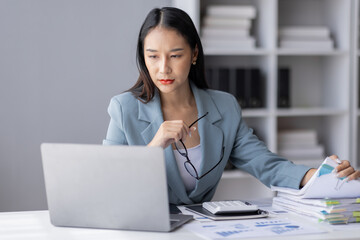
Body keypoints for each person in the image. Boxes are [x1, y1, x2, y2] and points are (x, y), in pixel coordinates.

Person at [103, 7, 360, 205]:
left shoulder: (224, 106)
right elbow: (107, 181)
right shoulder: (124, 108)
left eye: (175, 55)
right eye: (153, 56)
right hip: (142, 231)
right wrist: (154, 147)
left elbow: (265, 164)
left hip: (201, 230)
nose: (163, 68)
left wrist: (319, 176)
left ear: (193, 54)